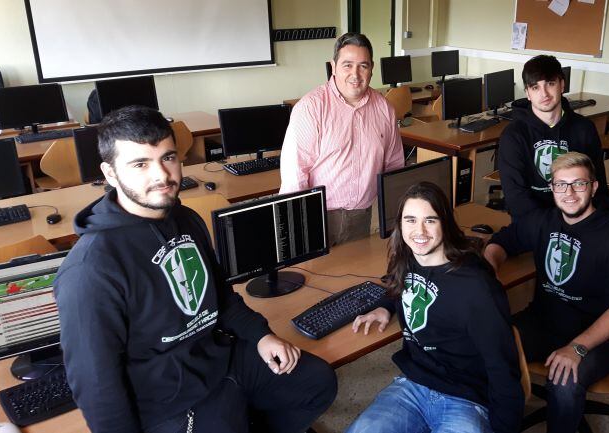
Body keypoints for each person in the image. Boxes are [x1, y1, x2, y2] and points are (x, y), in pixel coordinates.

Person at [54, 106, 337, 433]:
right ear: (110, 173)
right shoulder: (90, 270)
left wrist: (261, 336)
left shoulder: (184, 218)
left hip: (219, 359)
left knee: (317, 382)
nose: (161, 175)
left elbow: (219, 296)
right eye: (141, 164)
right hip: (167, 399)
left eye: (168, 157)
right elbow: (96, 384)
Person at [346, 182, 525, 433]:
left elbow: (502, 366)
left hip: (466, 396)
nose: (419, 231)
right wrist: (385, 307)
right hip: (414, 384)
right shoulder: (406, 258)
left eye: (430, 220)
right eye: (410, 220)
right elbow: (395, 283)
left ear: (445, 224)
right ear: (400, 225)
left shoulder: (476, 287)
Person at [484, 152, 609, 433]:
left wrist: (576, 348)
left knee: (564, 383)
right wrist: (490, 269)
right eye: (560, 185)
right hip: (543, 321)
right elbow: (502, 241)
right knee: (490, 349)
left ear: (593, 187)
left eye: (578, 184)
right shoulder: (544, 220)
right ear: (552, 188)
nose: (568, 193)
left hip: (597, 337)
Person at [279, 32, 404, 246]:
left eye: (363, 66)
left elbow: (394, 165)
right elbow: (295, 175)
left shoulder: (384, 108)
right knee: (316, 276)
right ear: (333, 66)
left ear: (371, 68)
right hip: (318, 216)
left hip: (362, 215)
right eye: (347, 65)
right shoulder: (311, 108)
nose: (355, 74)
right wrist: (297, 228)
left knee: (354, 273)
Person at [498, 54, 609, 218]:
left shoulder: (584, 128)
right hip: (534, 223)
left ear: (562, 85)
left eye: (550, 84)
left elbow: (597, 185)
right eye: (535, 87)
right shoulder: (513, 135)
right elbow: (516, 198)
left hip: (578, 219)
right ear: (527, 93)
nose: (544, 94)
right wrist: (553, 228)